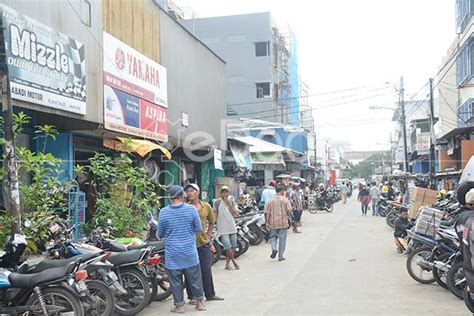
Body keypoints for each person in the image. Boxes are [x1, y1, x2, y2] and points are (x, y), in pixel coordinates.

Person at [157, 185, 206, 313]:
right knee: (195, 278)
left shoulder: (163, 212)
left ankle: (179, 306)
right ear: (182, 195)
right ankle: (200, 303)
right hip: (189, 252)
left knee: (175, 281)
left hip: (173, 254)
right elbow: (198, 229)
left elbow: (160, 233)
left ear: (171, 197)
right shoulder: (191, 210)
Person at [185, 184, 224, 303]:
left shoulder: (206, 206)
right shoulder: (185, 207)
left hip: (203, 243)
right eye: (188, 191)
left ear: (197, 192)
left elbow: (212, 222)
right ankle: (192, 296)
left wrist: (208, 235)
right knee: (190, 271)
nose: (190, 193)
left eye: (192, 191)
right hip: (188, 243)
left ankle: (210, 294)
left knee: (206, 269)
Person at [213, 186, 240, 270]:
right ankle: (234, 262)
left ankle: (227, 264)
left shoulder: (231, 201)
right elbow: (215, 213)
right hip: (222, 227)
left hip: (231, 225)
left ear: (229, 193)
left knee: (233, 246)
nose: (224, 194)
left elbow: (234, 213)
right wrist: (213, 223)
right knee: (227, 246)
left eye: (226, 192)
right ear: (220, 193)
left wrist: (229, 204)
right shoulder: (216, 202)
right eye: (223, 192)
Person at [265, 184, 292, 261]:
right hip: (283, 222)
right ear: (282, 191)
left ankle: (274, 249)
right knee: (282, 239)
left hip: (273, 222)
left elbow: (267, 212)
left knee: (273, 237)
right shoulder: (285, 200)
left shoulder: (270, 200)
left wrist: (267, 222)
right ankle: (280, 256)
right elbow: (290, 210)